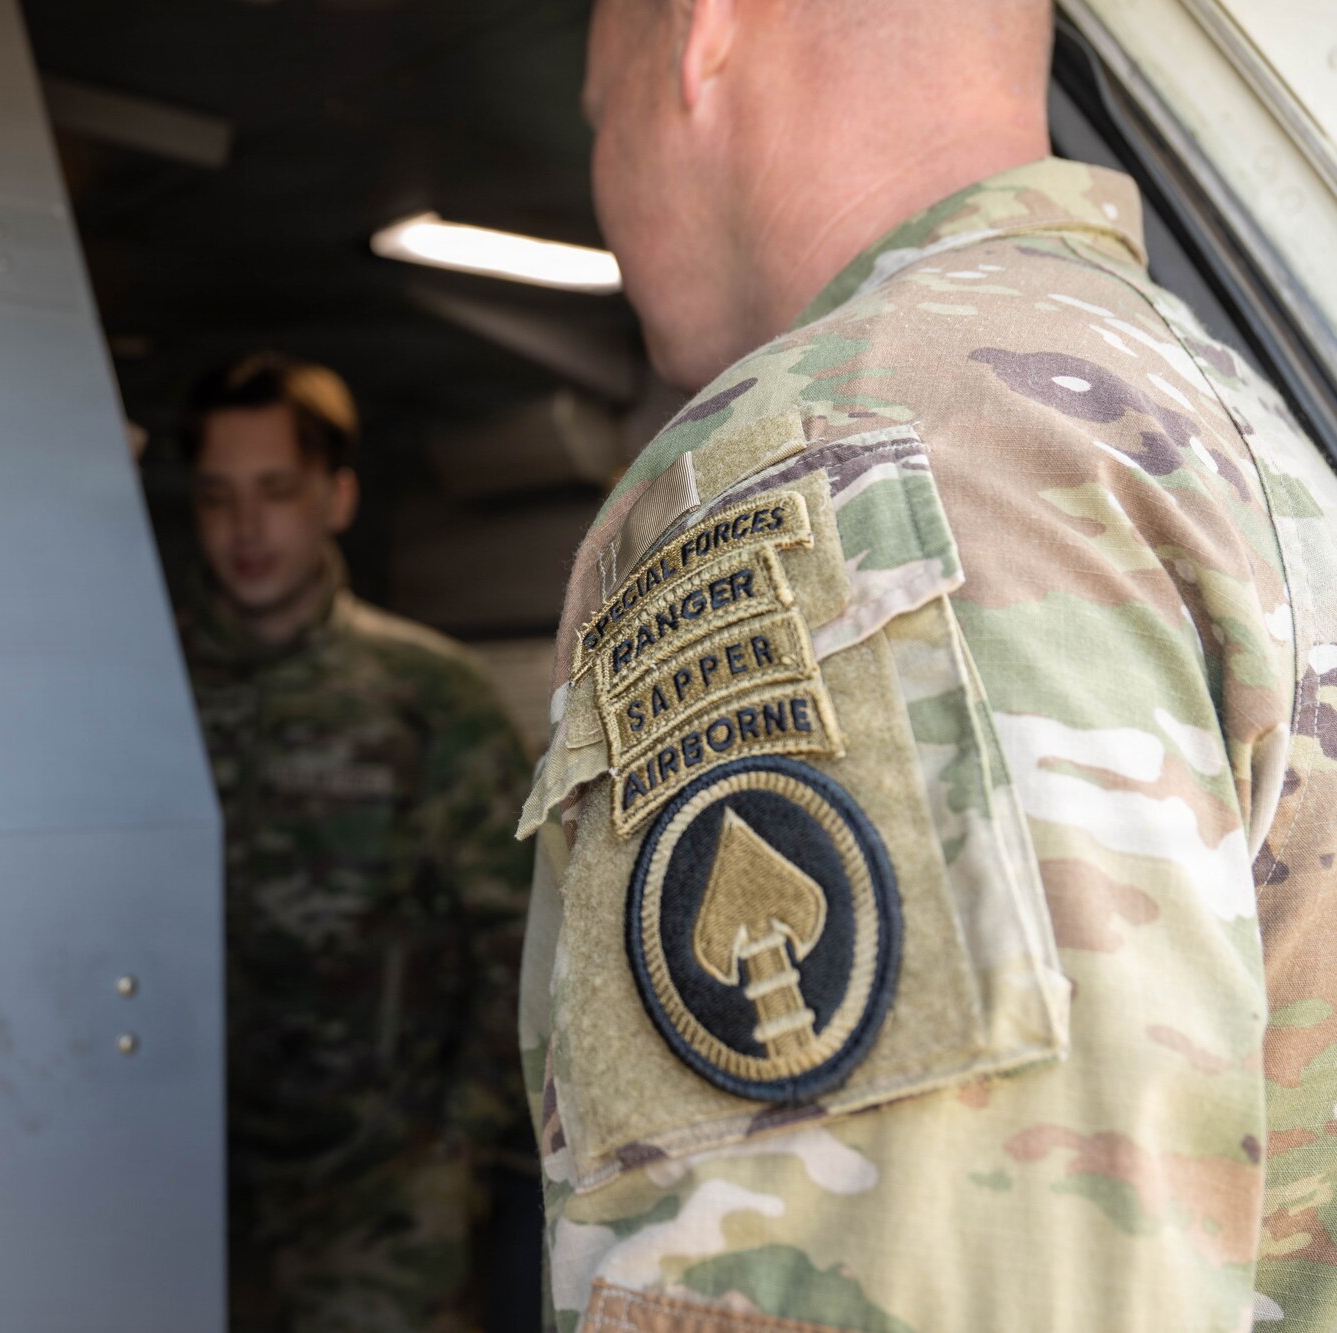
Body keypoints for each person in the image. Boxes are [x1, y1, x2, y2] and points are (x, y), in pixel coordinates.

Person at [516, 2, 1337, 1330]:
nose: (606, 189)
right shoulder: (1228, 424)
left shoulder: (836, 452)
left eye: (597, 120)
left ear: (701, 38)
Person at [175, 352, 535, 1333]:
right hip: (185, 1181)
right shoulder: (149, 692)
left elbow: (521, 940)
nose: (245, 529)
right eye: (217, 497)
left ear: (335, 498)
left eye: (275, 492)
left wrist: (455, 1152)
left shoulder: (427, 695)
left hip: (382, 1197)